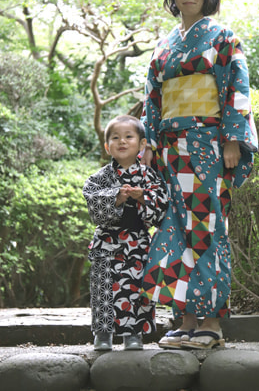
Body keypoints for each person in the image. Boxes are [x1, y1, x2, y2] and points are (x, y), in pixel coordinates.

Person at [140, 0, 258, 350]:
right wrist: (149, 145)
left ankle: (212, 323)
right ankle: (186, 320)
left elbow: (237, 89)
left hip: (207, 144)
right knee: (175, 229)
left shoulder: (223, 38)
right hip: (172, 150)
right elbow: (152, 99)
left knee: (206, 229)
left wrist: (232, 140)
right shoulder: (165, 43)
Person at [83, 114, 169, 351]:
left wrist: (143, 196)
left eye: (128, 137)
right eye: (115, 137)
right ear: (106, 145)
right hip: (105, 241)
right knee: (103, 288)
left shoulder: (149, 175)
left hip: (137, 241)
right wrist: (115, 197)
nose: (122, 142)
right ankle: (102, 334)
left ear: (142, 144)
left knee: (135, 287)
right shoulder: (100, 177)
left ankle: (133, 334)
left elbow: (161, 204)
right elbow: (91, 199)